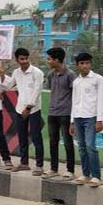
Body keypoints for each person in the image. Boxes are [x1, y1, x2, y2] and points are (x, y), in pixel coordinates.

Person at [0, 48, 45, 175]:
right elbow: (8, 85)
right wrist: (2, 75)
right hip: (19, 110)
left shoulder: (37, 73)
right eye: (21, 59)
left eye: (26, 58)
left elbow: (37, 91)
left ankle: (39, 165)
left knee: (36, 138)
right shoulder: (16, 72)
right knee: (22, 137)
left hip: (33, 110)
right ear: (17, 60)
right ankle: (24, 163)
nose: (24, 61)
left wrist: (29, 108)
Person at [69, 52, 103, 187]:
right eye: (82, 63)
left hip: (91, 117)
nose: (85, 66)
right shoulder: (76, 82)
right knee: (82, 147)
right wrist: (72, 121)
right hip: (78, 117)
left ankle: (96, 176)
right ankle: (85, 174)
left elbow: (101, 100)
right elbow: (74, 101)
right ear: (78, 65)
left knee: (91, 146)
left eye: (87, 63)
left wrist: (99, 120)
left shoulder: (98, 79)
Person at [43, 47, 77, 179]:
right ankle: (53, 169)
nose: (48, 61)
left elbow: (75, 94)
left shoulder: (70, 75)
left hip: (66, 114)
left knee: (68, 142)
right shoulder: (51, 75)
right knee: (53, 142)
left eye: (49, 59)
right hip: (52, 113)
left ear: (57, 59)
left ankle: (70, 170)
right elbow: (50, 89)